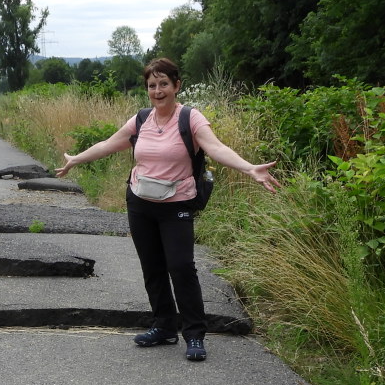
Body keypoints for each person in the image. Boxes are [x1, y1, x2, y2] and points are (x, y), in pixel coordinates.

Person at [55, 58, 278, 362]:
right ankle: (164, 326)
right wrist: (76, 159)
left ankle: (195, 334)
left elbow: (217, 148)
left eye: (163, 84)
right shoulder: (142, 119)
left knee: (182, 267)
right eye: (151, 85)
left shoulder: (191, 118)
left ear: (176, 86)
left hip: (177, 206)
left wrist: (250, 168)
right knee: (153, 267)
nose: (157, 91)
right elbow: (109, 143)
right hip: (140, 202)